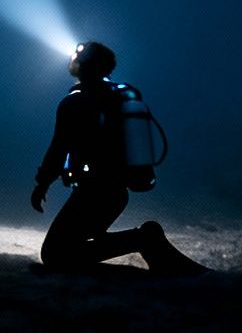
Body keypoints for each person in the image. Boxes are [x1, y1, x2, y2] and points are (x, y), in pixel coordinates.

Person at [30, 41, 204, 277]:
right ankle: (144, 241)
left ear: (83, 65)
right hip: (114, 193)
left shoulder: (74, 103)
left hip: (95, 192)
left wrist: (42, 184)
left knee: (55, 255)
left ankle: (144, 239)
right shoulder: (118, 98)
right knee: (66, 249)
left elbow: (58, 149)